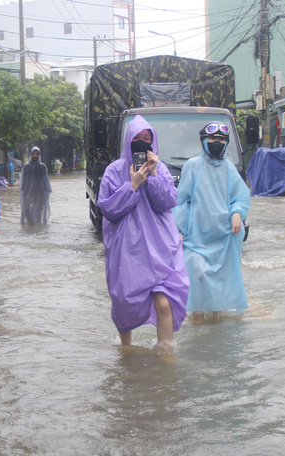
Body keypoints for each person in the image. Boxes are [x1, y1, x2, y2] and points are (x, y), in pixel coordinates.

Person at [97, 115, 189, 350]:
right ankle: (125, 350)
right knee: (124, 302)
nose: (141, 143)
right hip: (127, 248)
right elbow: (108, 210)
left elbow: (167, 202)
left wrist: (154, 176)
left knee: (164, 301)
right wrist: (133, 184)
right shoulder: (113, 171)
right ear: (128, 141)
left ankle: (165, 351)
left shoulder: (162, 169)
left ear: (153, 142)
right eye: (136, 139)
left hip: (159, 247)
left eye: (146, 139)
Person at [172, 121, 251, 323]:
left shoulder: (229, 169)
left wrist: (237, 213)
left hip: (224, 235)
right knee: (197, 272)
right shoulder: (192, 166)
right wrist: (179, 229)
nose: (217, 142)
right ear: (204, 141)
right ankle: (196, 314)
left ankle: (216, 316)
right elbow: (181, 201)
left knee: (221, 278)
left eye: (221, 139)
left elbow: (241, 196)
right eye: (213, 139)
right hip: (196, 235)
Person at [19, 146, 51, 224]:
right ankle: (31, 223)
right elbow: (23, 179)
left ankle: (38, 225)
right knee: (26, 208)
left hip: (39, 192)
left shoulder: (42, 166)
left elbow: (45, 180)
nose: (35, 155)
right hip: (28, 191)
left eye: (37, 154)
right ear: (31, 154)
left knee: (39, 209)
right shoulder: (26, 166)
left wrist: (45, 192)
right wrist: (24, 190)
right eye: (33, 153)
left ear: (39, 155)